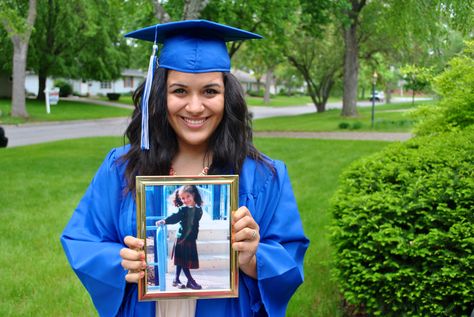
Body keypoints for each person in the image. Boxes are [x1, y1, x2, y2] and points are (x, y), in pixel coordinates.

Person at [61, 19, 309, 317]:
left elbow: (290, 259)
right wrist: (119, 260)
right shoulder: (121, 166)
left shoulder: (265, 176)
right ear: (159, 95)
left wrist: (253, 259)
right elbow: (82, 239)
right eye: (179, 91)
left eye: (209, 92)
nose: (194, 107)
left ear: (227, 97)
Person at [156, 185, 204, 290]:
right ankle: (190, 281)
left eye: (188, 196)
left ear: (194, 195)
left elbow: (195, 223)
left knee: (181, 261)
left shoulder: (199, 210)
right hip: (182, 239)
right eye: (182, 198)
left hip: (191, 240)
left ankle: (176, 280)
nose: (185, 200)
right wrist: (165, 221)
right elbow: (175, 217)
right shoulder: (182, 209)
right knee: (184, 261)